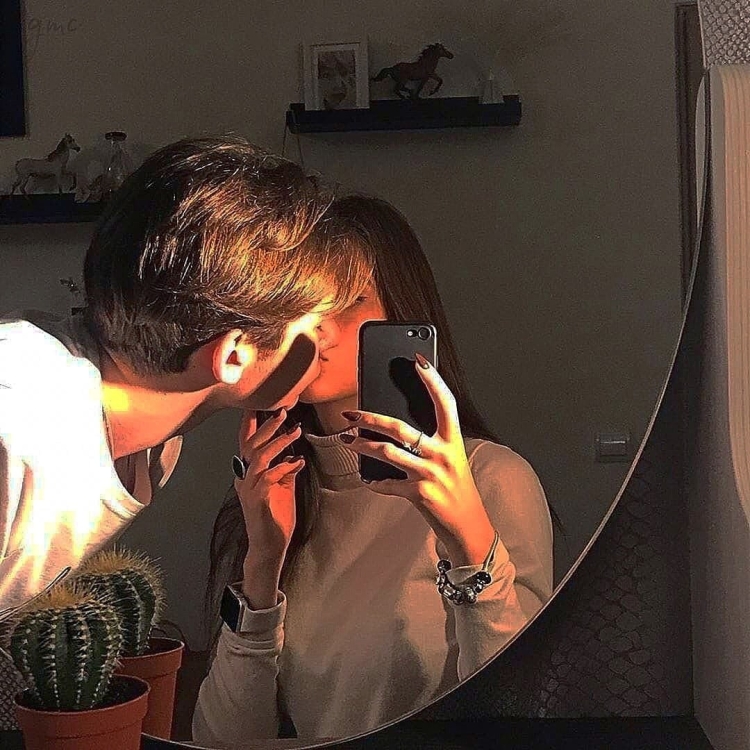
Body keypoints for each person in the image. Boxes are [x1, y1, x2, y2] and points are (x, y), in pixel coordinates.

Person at [193, 195, 555, 746]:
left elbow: (519, 716)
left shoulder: (494, 480)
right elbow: (223, 741)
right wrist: (262, 564)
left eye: (345, 302)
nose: (318, 329)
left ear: (400, 314)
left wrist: (469, 541)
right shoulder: (281, 490)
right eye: (301, 302)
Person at [0, 135, 374, 614]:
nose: (330, 337)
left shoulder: (154, 445)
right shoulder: (16, 435)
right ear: (233, 356)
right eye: (317, 321)